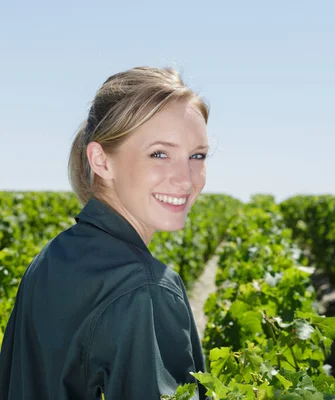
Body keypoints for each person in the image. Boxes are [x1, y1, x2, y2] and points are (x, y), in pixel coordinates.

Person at [0, 66, 209, 399]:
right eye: (159, 153)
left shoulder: (52, 257)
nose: (186, 178)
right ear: (101, 161)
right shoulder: (146, 288)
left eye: (197, 155)